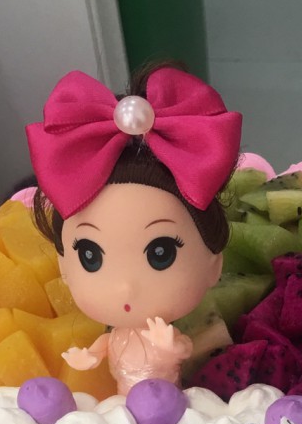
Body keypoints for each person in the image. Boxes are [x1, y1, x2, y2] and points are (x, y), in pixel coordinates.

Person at [27, 64, 241, 394]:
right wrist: (88, 356)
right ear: (63, 265)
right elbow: (102, 349)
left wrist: (169, 346)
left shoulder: (164, 334)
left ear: (215, 264)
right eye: (90, 255)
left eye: (160, 253)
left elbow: (181, 350)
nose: (126, 287)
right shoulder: (115, 336)